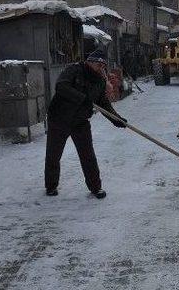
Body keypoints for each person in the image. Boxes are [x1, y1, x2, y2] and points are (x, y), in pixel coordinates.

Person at [45, 49, 127, 199]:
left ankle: (96, 187)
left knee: (88, 155)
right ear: (89, 62)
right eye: (98, 65)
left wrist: (117, 119)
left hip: (80, 121)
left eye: (102, 66)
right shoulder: (74, 70)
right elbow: (61, 87)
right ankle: (51, 186)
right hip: (59, 118)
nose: (100, 68)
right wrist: (82, 98)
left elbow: (103, 104)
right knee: (54, 154)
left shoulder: (100, 81)